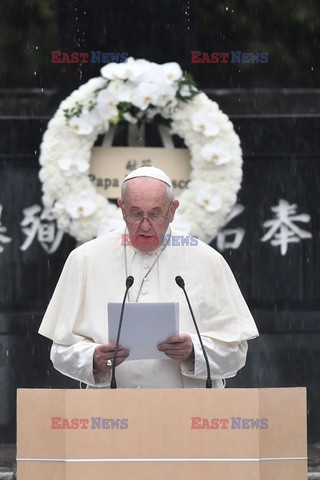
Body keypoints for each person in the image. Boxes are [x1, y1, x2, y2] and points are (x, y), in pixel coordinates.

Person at [39, 166, 258, 388]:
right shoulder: (85, 259)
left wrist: (194, 350)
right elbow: (59, 352)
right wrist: (92, 358)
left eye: (155, 214)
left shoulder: (206, 259)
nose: (145, 226)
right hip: (110, 413)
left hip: (187, 413)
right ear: (121, 208)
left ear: (172, 211)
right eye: (135, 214)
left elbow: (236, 354)